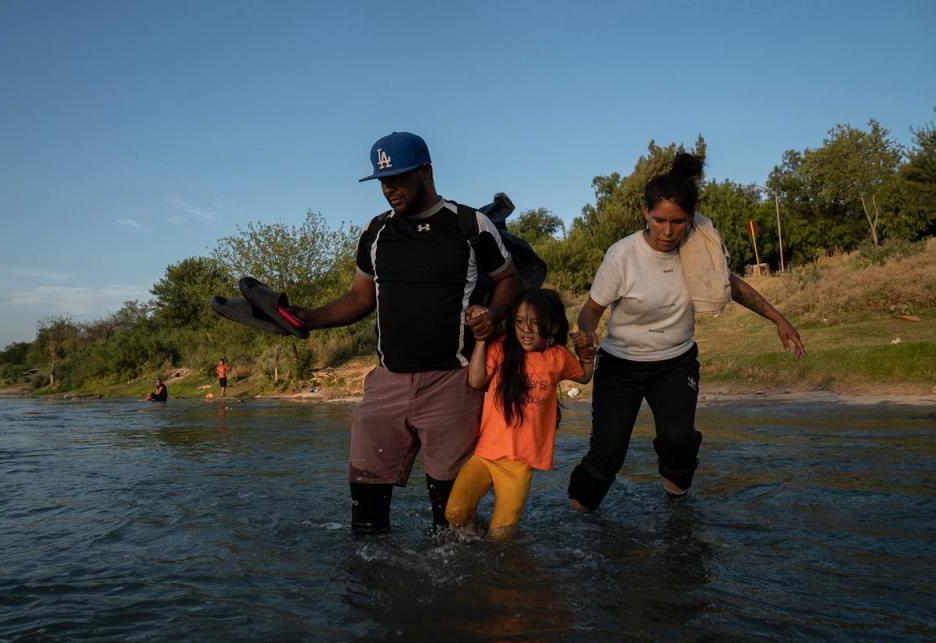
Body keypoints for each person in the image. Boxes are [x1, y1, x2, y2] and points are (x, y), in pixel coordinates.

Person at [286, 131, 521, 533]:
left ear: (426, 171)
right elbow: (360, 299)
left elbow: (508, 279)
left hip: (453, 382)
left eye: (398, 177)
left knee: (451, 523)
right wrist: (304, 318)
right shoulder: (376, 232)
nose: (389, 188)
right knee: (366, 521)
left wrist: (492, 314)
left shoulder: (470, 225)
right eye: (382, 180)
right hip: (386, 384)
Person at [568, 152, 806, 511]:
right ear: (645, 214)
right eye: (659, 220)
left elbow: (733, 286)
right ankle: (577, 521)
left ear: (690, 219)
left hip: (675, 363)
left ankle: (677, 515)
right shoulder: (622, 256)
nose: (667, 232)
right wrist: (586, 336)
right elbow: (590, 311)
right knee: (607, 456)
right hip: (621, 366)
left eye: (677, 222)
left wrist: (778, 319)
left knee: (678, 440)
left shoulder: (697, 249)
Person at [445, 289, 594, 539]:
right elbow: (476, 380)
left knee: (501, 535)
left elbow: (584, 375)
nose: (526, 329)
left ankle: (497, 565)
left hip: (519, 465)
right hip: (485, 455)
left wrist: (587, 355)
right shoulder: (501, 347)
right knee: (455, 513)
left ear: (554, 326)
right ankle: (472, 547)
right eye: (520, 322)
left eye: (536, 323)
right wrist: (482, 339)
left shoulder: (557, 357)